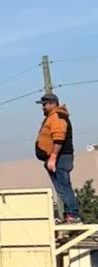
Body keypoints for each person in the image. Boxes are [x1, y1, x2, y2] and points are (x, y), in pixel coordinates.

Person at [34, 92, 78, 222]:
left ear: (53, 104)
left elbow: (59, 137)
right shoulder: (53, 116)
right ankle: (69, 214)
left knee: (64, 186)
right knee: (61, 187)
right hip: (57, 157)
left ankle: (73, 214)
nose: (43, 107)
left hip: (60, 157)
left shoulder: (57, 116)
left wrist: (53, 157)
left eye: (45, 104)